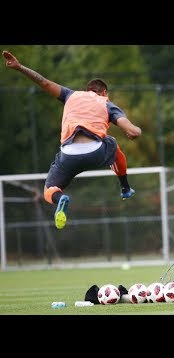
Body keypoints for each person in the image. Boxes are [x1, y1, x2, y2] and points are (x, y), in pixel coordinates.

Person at [2, 50, 142, 230]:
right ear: (104, 92)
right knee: (112, 143)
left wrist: (20, 67)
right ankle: (125, 188)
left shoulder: (71, 95)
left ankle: (61, 199)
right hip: (96, 152)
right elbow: (132, 131)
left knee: (49, 189)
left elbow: (43, 82)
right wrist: (135, 131)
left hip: (69, 155)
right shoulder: (106, 103)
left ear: (87, 90)